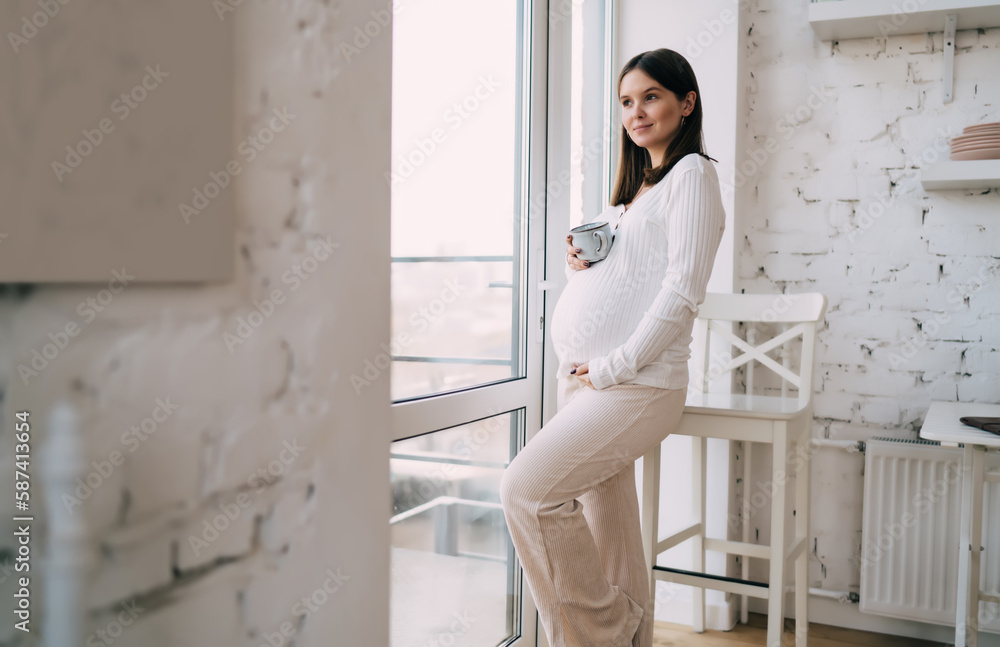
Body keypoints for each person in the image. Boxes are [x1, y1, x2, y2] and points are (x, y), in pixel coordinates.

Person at [499, 48, 726, 647]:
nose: (637, 111)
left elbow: (680, 294)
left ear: (686, 102)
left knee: (526, 491)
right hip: (587, 380)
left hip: (636, 384)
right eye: (627, 101)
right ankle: (633, 637)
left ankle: (600, 633)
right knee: (610, 525)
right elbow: (626, 284)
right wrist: (580, 264)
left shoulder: (692, 176)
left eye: (651, 96)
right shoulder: (632, 194)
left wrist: (612, 366)